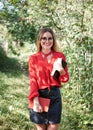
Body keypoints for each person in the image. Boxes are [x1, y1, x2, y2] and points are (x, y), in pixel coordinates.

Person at [28, 28, 69, 130]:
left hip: (55, 95)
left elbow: (65, 78)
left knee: (53, 127)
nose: (47, 41)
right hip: (39, 95)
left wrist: (61, 70)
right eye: (44, 38)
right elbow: (33, 80)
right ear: (39, 40)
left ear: (53, 40)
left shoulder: (59, 56)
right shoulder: (33, 58)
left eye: (50, 38)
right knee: (41, 128)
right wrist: (36, 101)